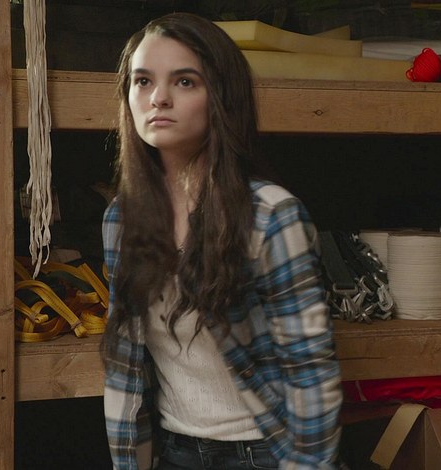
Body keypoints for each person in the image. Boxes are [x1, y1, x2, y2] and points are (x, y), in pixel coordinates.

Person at [101, 12, 343, 470]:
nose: (159, 98)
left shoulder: (271, 215)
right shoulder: (122, 218)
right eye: (143, 81)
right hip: (176, 450)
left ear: (222, 97)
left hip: (265, 454)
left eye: (185, 81)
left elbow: (312, 376)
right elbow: (124, 365)